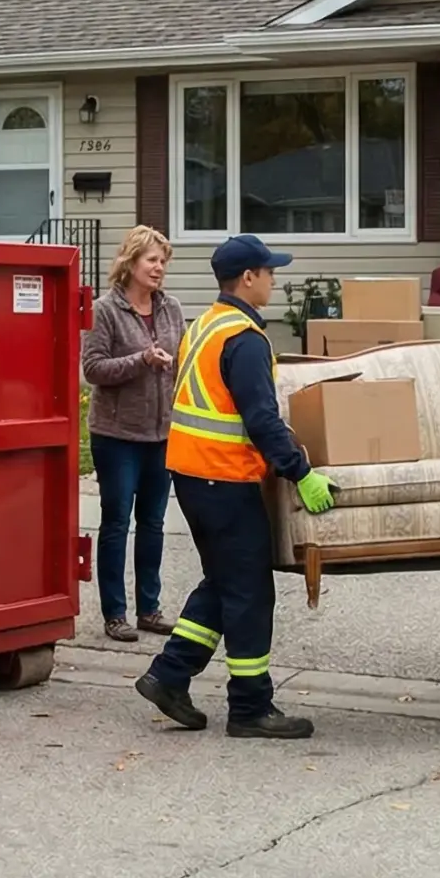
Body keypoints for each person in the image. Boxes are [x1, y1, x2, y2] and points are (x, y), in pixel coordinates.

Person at [135, 235, 335, 741]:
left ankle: (169, 675)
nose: (274, 279)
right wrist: (300, 472)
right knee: (248, 591)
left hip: (193, 475)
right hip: (223, 479)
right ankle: (250, 707)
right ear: (248, 278)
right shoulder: (243, 338)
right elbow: (261, 419)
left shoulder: (203, 326)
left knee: (224, 581)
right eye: (270, 271)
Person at [80, 225, 185, 642]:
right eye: (152, 260)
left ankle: (150, 608)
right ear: (131, 262)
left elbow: (182, 360)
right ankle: (114, 613)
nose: (159, 268)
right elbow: (93, 370)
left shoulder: (171, 308)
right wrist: (142, 359)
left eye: (163, 261)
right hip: (117, 435)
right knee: (117, 522)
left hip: (162, 434)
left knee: (154, 523)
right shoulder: (105, 310)